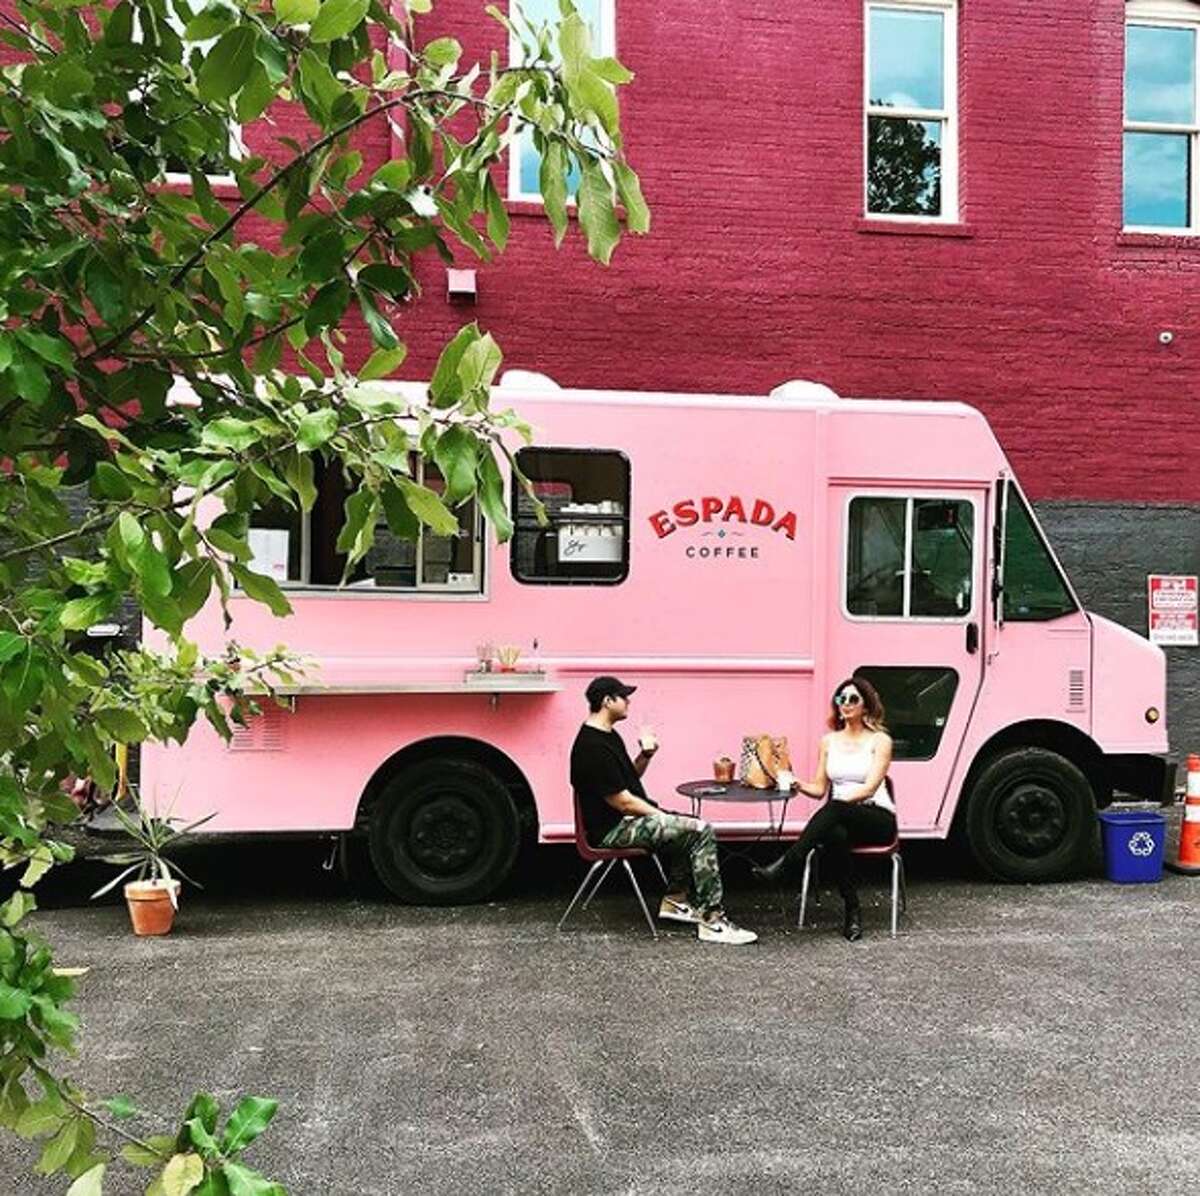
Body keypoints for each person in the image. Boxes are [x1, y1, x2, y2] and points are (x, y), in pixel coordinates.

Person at [569, 676, 757, 945]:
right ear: (607, 701)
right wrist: (662, 817)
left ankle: (676, 901)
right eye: (623, 696)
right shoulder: (591, 747)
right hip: (613, 829)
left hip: (626, 820)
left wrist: (646, 756)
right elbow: (622, 801)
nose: (628, 701)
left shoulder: (608, 736)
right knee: (700, 830)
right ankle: (712, 922)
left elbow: (627, 781)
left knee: (690, 825)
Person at [752, 676, 896, 941]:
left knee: (835, 810)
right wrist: (797, 783)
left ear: (866, 705)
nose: (846, 704)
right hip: (840, 818)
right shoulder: (828, 741)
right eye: (841, 699)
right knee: (835, 835)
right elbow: (819, 789)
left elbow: (869, 787)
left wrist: (839, 804)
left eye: (853, 699)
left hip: (876, 816)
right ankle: (852, 910)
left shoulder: (880, 740)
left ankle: (789, 862)